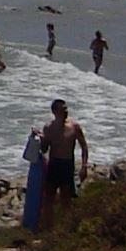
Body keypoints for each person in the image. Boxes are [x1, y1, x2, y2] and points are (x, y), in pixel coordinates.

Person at [35, 98, 89, 232]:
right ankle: (49, 230)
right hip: (54, 164)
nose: (66, 111)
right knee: (49, 199)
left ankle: (66, 229)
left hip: (67, 164)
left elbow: (84, 146)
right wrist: (40, 138)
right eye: (62, 109)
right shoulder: (48, 128)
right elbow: (44, 149)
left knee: (66, 200)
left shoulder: (74, 127)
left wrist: (84, 166)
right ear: (55, 111)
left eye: (66, 109)